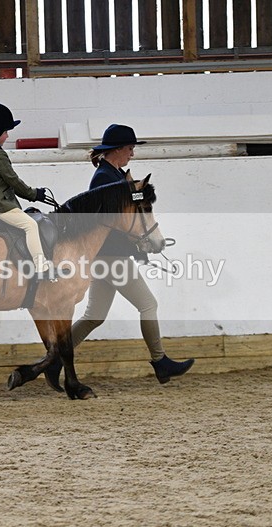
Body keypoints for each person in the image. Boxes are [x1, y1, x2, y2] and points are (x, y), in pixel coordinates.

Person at [73, 124, 195, 384]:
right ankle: (160, 361)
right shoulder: (104, 179)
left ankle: (51, 358)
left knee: (94, 316)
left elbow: (133, 208)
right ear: (117, 149)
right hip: (111, 257)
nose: (132, 153)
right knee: (148, 304)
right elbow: (112, 220)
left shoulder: (115, 174)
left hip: (105, 258)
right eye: (129, 149)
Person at [0, 102, 55, 278]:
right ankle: (41, 268)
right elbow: (13, 181)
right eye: (6, 132)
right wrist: (34, 194)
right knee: (30, 225)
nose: (8, 135)